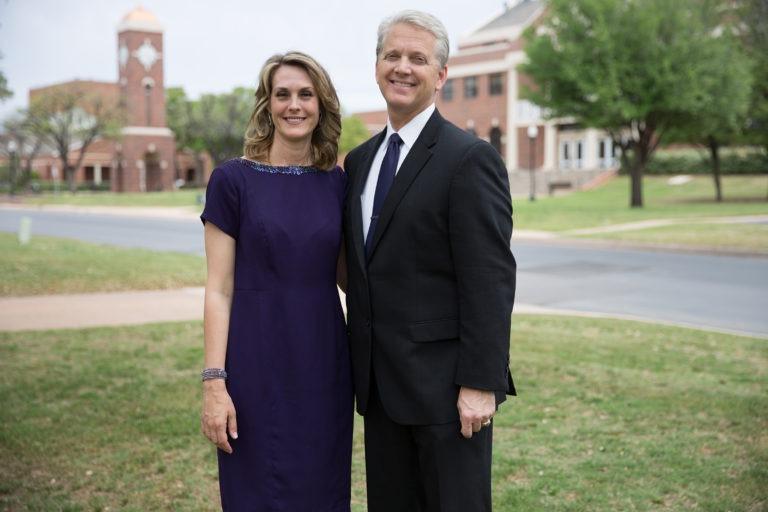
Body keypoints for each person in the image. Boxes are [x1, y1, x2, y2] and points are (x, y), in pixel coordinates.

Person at [343, 10, 516, 512]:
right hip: (378, 391)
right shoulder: (359, 162)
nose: (402, 67)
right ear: (376, 66)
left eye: (418, 59)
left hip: (447, 396)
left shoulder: (469, 159)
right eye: (392, 55)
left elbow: (490, 280)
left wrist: (481, 384)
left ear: (441, 76)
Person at [199, 51, 352, 511]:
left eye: (306, 94)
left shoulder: (337, 184)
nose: (294, 105)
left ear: (321, 104)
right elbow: (218, 289)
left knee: (321, 490)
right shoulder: (232, 180)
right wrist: (214, 382)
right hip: (254, 364)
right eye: (282, 94)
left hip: (324, 364)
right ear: (266, 104)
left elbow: (349, 277)